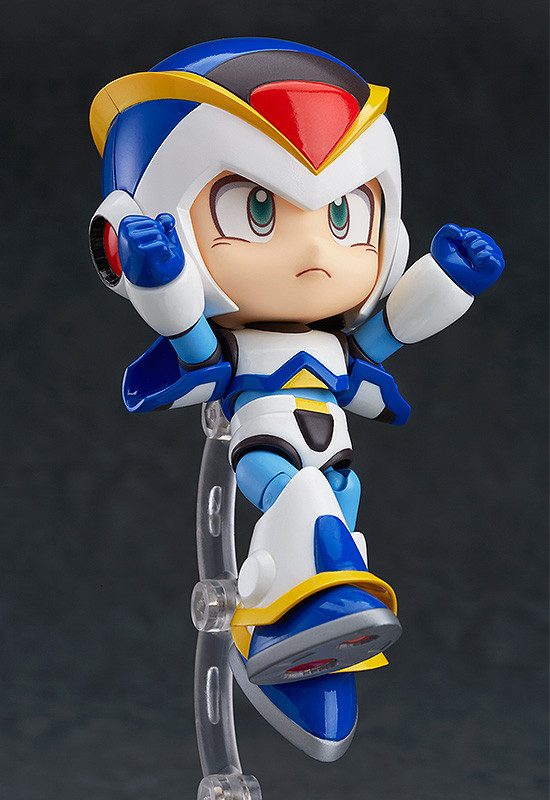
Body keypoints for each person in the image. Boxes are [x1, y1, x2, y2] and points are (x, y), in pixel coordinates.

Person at [89, 38, 504, 758]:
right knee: (301, 505)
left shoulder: (340, 348)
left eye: (344, 217)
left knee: (339, 516)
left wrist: (451, 282)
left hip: (334, 459)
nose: (315, 251)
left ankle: (310, 631)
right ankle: (290, 617)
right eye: (257, 210)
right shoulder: (236, 353)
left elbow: (388, 334)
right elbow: (191, 343)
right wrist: (161, 278)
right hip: (270, 458)